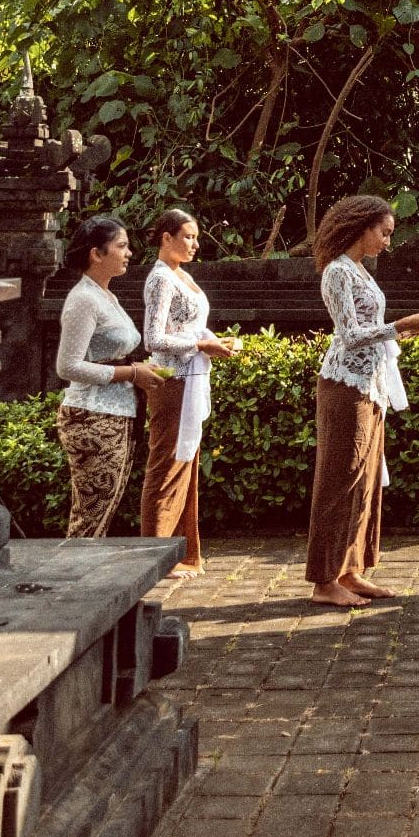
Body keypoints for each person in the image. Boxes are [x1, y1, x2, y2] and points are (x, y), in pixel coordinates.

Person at [306, 194, 419, 607]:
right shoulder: (337, 272)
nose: (387, 241)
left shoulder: (360, 270)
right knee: (339, 479)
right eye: (383, 232)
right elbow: (349, 335)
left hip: (370, 383)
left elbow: (370, 329)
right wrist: (400, 326)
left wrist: (400, 331)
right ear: (362, 227)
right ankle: (324, 581)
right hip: (345, 385)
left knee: (365, 480)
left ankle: (351, 570)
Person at [53, 215, 164, 537]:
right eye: (121, 246)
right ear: (96, 254)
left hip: (117, 414)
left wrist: (142, 370)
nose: (129, 253)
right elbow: (68, 366)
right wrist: (131, 372)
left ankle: (82, 582)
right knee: (90, 517)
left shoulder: (105, 296)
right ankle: (72, 584)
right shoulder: (83, 300)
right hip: (92, 417)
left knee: (99, 515)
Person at [140, 208, 237, 576]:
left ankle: (179, 552)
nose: (195, 244)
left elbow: (189, 328)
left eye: (196, 237)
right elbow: (154, 338)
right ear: (166, 237)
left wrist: (213, 341)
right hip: (172, 379)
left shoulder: (182, 275)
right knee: (167, 465)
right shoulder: (161, 278)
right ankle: (156, 555)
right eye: (188, 236)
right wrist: (200, 347)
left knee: (185, 466)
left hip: (191, 378)